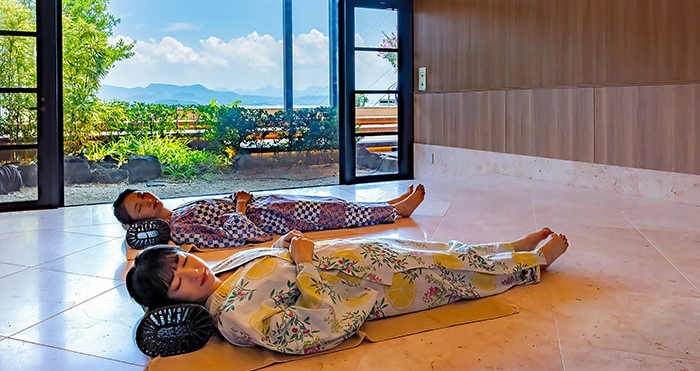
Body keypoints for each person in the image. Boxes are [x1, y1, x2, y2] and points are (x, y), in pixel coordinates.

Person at [126, 227, 569, 355]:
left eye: (185, 262)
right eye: (179, 282)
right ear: (173, 303)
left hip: (353, 256)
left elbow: (269, 262)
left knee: (434, 250)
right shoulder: (235, 320)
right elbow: (316, 328)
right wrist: (304, 264)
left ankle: (506, 247)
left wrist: (284, 246)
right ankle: (531, 264)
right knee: (447, 274)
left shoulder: (223, 269)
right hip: (370, 287)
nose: (194, 272)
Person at [113, 184, 426, 249]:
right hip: (269, 218)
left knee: (329, 201)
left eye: (141, 195)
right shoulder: (180, 230)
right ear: (141, 223)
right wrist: (240, 206)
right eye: (140, 207)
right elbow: (235, 237)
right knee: (332, 214)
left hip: (265, 204)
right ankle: (396, 211)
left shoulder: (180, 210)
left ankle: (387, 204)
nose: (148, 200)